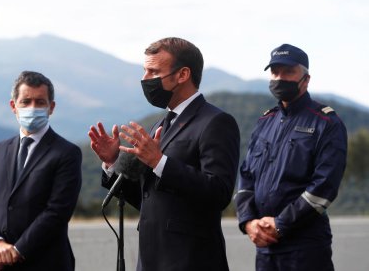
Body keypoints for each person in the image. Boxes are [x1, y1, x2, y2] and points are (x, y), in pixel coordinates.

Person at [88, 37, 240, 271]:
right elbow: (148, 199)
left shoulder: (216, 122)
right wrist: (112, 162)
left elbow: (219, 192)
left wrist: (160, 162)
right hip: (151, 260)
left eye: (153, 71)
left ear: (182, 75)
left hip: (192, 261)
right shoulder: (162, 123)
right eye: (144, 70)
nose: (145, 79)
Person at [234, 44, 348, 271]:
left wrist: (282, 223)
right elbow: (246, 176)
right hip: (266, 248)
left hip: (305, 247)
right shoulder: (265, 122)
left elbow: (324, 186)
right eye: (275, 72)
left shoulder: (327, 124)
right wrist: (248, 222)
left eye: (288, 72)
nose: (279, 78)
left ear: (306, 79)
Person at [0, 71, 82, 271]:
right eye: (26, 101)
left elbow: (56, 212)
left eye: (40, 102)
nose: (33, 108)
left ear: (51, 107)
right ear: (14, 106)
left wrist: (16, 251)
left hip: (46, 264)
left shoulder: (66, 153)